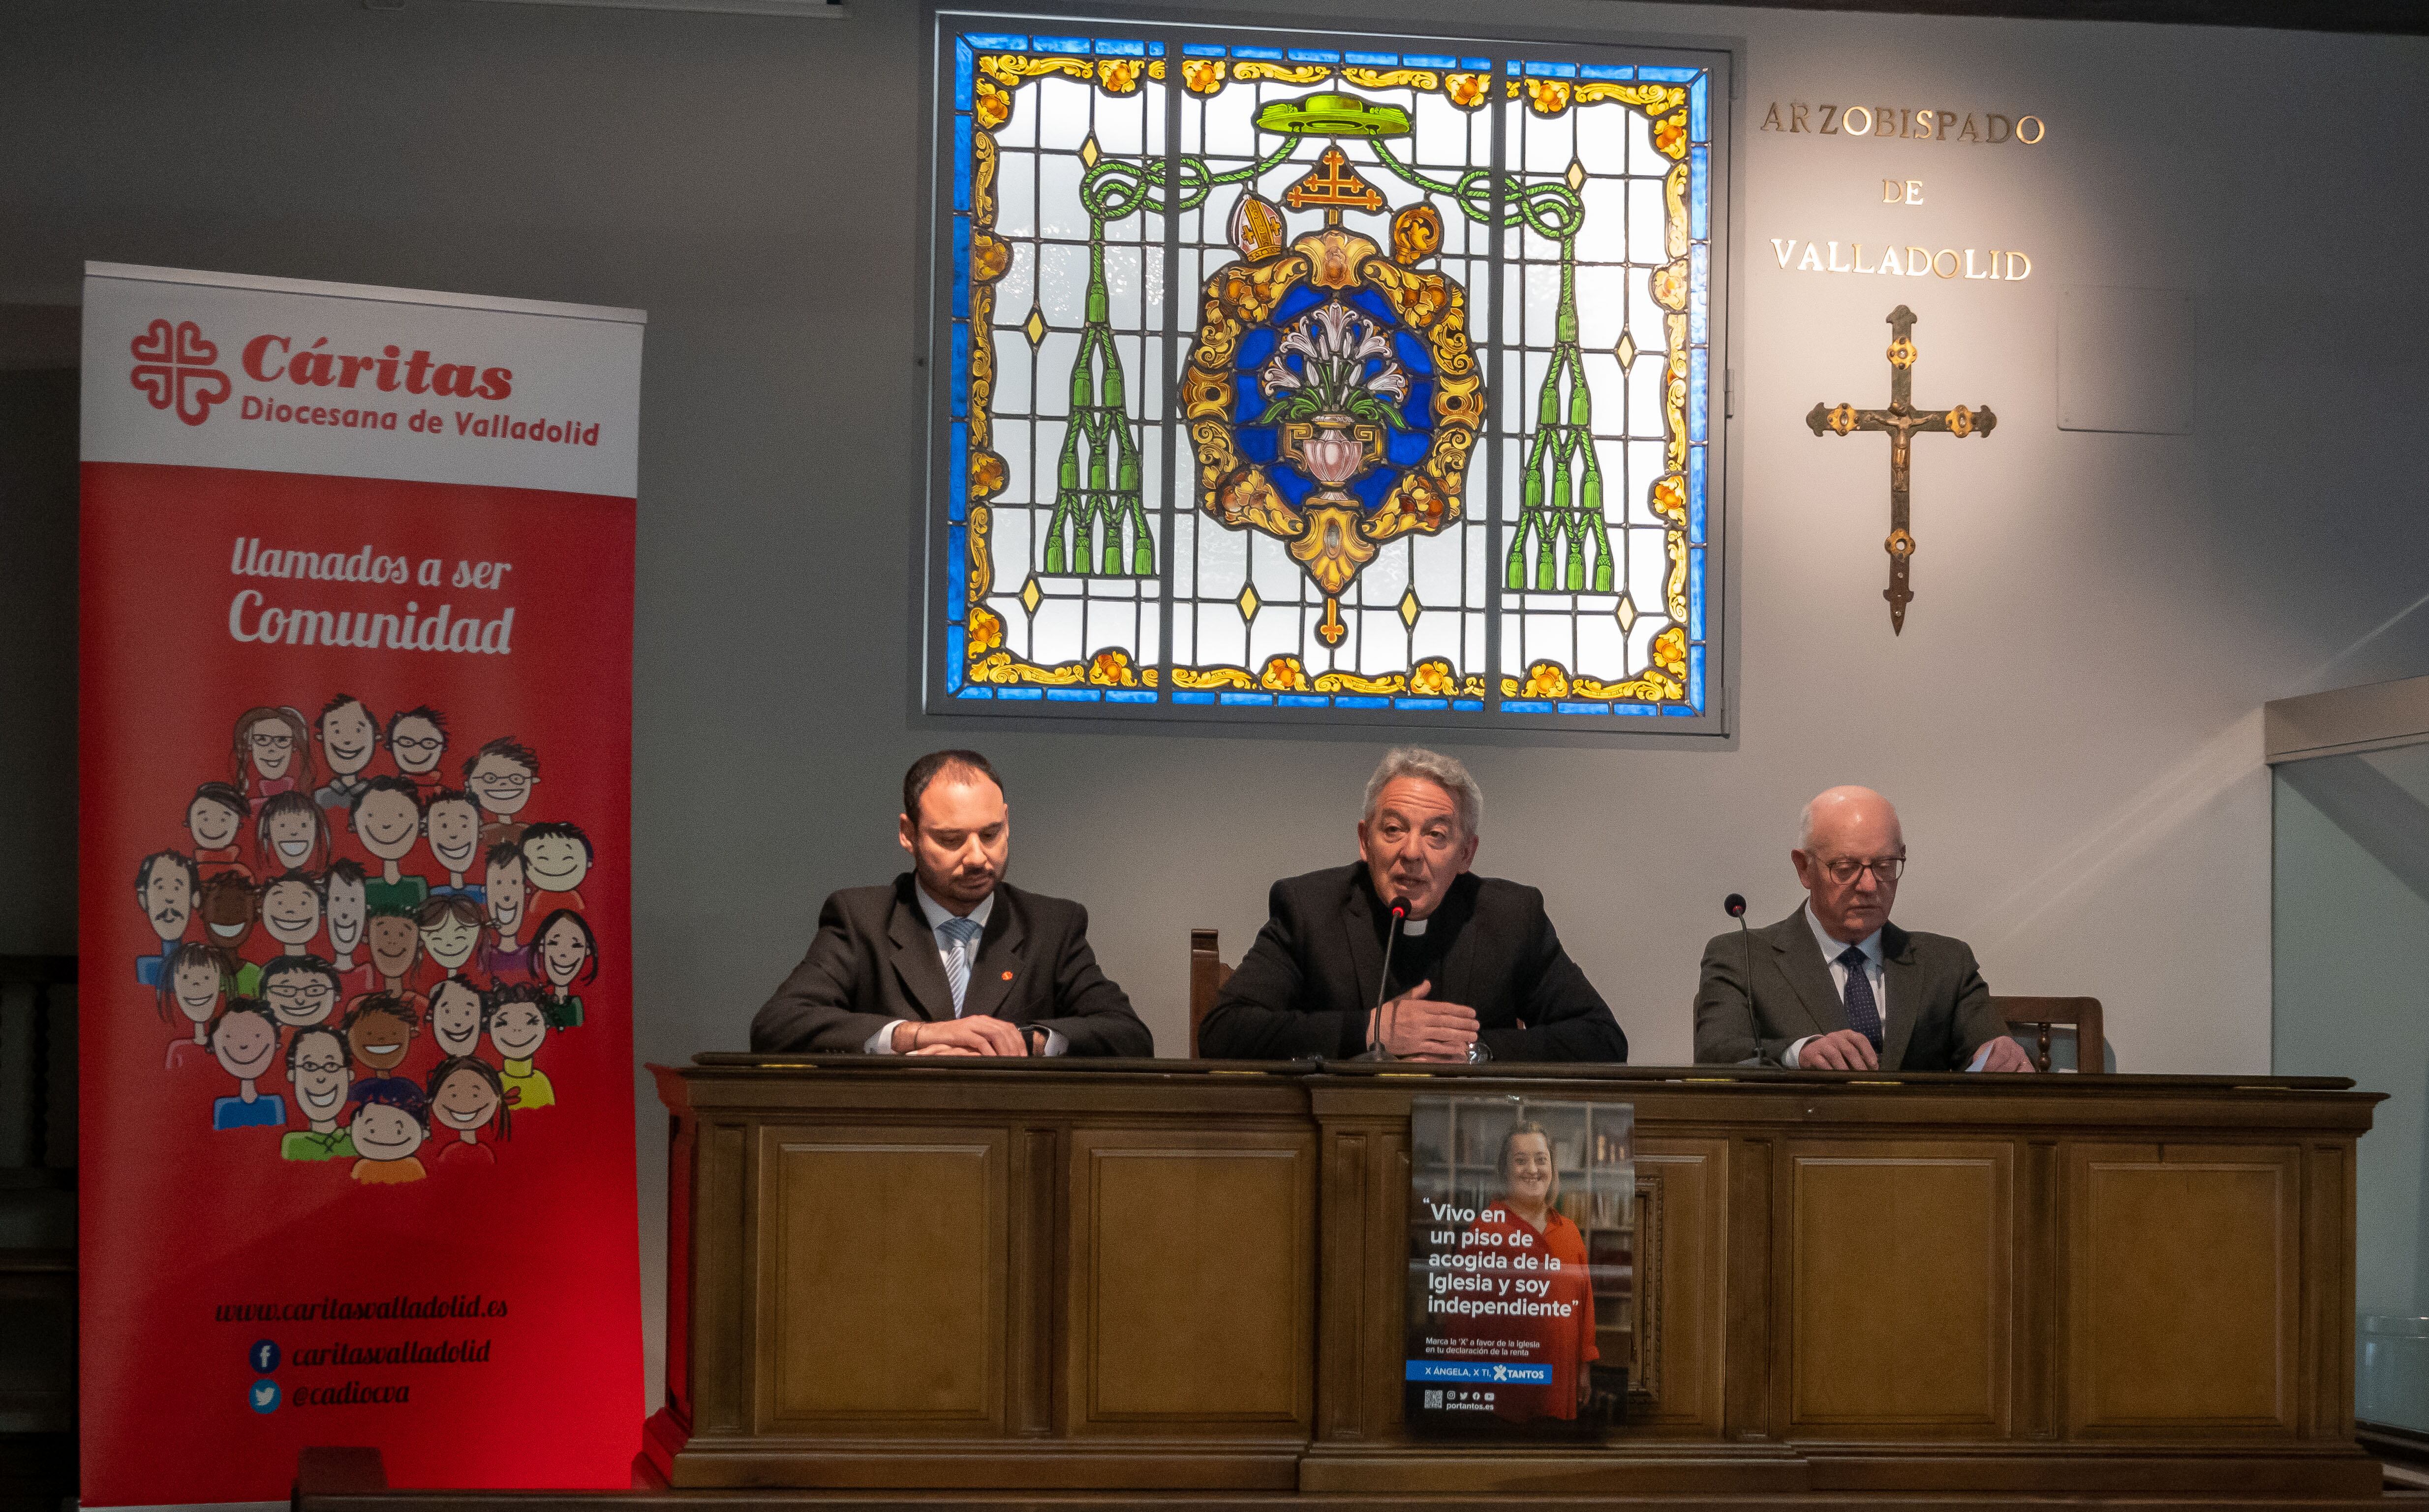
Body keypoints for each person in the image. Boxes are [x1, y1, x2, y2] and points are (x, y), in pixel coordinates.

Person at [1200, 748, 1626, 1063]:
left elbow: (1602, 1039)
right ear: (1365, 841)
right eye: (1393, 829)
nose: (1411, 852)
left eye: (1436, 835)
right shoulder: (1309, 909)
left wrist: (1472, 1050)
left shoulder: (1512, 917)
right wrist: (1370, 1030)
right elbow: (1223, 1032)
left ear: (1466, 854)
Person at [752, 749, 1152, 1057]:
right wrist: (916, 1035)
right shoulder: (861, 919)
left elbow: (1128, 1034)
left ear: (1007, 822)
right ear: (908, 834)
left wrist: (1024, 1041)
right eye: (950, 839)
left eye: (991, 833)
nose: (977, 856)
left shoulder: (1051, 925)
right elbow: (778, 1026)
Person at [1692, 785, 2032, 1073]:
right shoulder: (1743, 958)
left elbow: (1989, 1051)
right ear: (1804, 868)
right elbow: (1715, 1054)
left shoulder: (1946, 963)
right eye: (1845, 867)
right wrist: (1796, 1053)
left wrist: (2002, 1054)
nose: (1869, 885)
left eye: (1885, 866)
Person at [1462, 1122, 1597, 1424]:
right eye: (1520, 1160)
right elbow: (1462, 1314)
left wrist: (1584, 1370)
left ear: (1552, 1166)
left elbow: (1584, 1307)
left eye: (1541, 1159)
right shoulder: (1485, 1229)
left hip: (1560, 1386)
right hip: (1502, 1392)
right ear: (1505, 1170)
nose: (1532, 1170)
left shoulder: (1571, 1232)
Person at [207, 1000, 287, 1131]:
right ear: (214, 1047)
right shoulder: (224, 1108)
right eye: (229, 1037)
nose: (243, 1045)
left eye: (257, 1036)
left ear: (276, 1044)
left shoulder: (274, 1104)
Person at [278, 1025, 355, 1161]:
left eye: (331, 1066)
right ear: (293, 1075)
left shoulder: (358, 1140)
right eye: (310, 1066)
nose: (321, 1077)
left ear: (349, 1075)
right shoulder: (293, 1144)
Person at [426, 1055, 511, 1168]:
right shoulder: (449, 1154)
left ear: (497, 1098)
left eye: (475, 1095)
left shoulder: (485, 1153)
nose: (464, 1103)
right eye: (454, 1095)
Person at [156, 940, 227, 1069]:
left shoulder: (228, 1046)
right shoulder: (178, 1049)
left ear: (220, 983)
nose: (196, 985)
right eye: (186, 978)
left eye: (206, 978)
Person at [345, 1080, 431, 1184]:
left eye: (399, 1131)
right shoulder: (363, 1167)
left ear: (423, 1133)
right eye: (372, 1130)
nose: (383, 1136)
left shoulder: (412, 1166)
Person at [232, 705, 315, 814]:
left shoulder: (307, 803)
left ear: (294, 745)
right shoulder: (243, 806)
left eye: (282, 740)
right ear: (249, 743)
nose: (272, 749)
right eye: (262, 739)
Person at [133, 850, 198, 987]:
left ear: (193, 898)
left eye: (177, 888)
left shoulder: (205, 969)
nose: (169, 899)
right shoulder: (145, 969)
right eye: (160, 888)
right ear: (144, 899)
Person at [463, 737, 540, 851]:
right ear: (469, 784)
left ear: (532, 782)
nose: (504, 784)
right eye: (490, 778)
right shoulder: (479, 835)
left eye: (516, 778)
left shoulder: (530, 834)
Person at [486, 984, 555, 1110]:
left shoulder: (542, 1082)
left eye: (531, 1022)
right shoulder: (493, 1083)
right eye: (502, 1023)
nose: (517, 1030)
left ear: (545, 1026)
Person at [529, 907, 598, 1030]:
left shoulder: (576, 1006)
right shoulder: (537, 1004)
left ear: (587, 950)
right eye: (554, 943)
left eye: (575, 945)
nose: (564, 954)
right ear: (542, 946)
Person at [312, 694, 379, 813]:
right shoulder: (319, 798)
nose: (347, 741)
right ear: (322, 736)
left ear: (376, 736)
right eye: (337, 731)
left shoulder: (379, 798)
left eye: (358, 730)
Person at [185, 783, 252, 881]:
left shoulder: (241, 873)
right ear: (190, 822)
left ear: (238, 825)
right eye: (205, 819)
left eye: (223, 820)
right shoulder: (189, 873)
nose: (213, 826)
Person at [385, 706, 450, 804]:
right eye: (406, 742)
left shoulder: (446, 797)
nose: (417, 750)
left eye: (429, 743)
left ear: (443, 748)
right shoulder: (386, 794)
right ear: (390, 746)